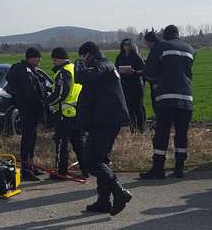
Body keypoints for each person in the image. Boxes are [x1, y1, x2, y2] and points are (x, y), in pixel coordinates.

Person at [75, 41, 132, 216]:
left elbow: (82, 78)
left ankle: (119, 192)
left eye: (82, 57)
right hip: (101, 120)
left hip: (106, 120)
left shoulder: (103, 65)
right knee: (101, 160)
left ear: (88, 54)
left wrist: (79, 66)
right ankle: (104, 201)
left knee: (93, 162)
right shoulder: (101, 66)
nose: (82, 61)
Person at [140, 25, 195, 179]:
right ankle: (179, 168)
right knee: (182, 134)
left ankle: (158, 169)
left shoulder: (161, 46)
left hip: (166, 98)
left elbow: (149, 72)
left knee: (162, 134)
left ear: (165, 35)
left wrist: (156, 81)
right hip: (186, 98)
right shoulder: (190, 49)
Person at [45, 47, 89, 179]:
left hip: (65, 113)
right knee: (79, 143)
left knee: (61, 143)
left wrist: (47, 101)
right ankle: (86, 169)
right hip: (77, 112)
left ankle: (60, 171)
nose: (53, 63)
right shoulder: (75, 68)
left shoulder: (63, 72)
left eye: (54, 60)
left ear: (58, 59)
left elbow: (61, 93)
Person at [6, 47, 46, 181]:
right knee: (27, 140)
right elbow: (30, 93)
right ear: (31, 57)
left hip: (31, 110)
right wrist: (40, 105)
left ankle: (30, 166)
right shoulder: (24, 71)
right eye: (38, 57)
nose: (40, 60)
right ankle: (26, 170)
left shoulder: (29, 70)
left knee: (32, 139)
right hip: (28, 110)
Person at [115, 39, 146, 133]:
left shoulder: (136, 57)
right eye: (124, 44)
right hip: (124, 85)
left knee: (138, 107)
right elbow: (115, 68)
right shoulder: (120, 57)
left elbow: (144, 70)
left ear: (131, 45)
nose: (126, 46)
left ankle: (142, 129)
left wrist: (135, 72)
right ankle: (133, 128)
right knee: (129, 108)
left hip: (136, 85)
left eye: (128, 44)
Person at [144, 31, 161, 120]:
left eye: (146, 41)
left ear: (150, 41)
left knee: (157, 102)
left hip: (156, 82)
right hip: (158, 81)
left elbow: (154, 65)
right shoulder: (159, 48)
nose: (145, 44)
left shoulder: (156, 49)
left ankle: (159, 120)